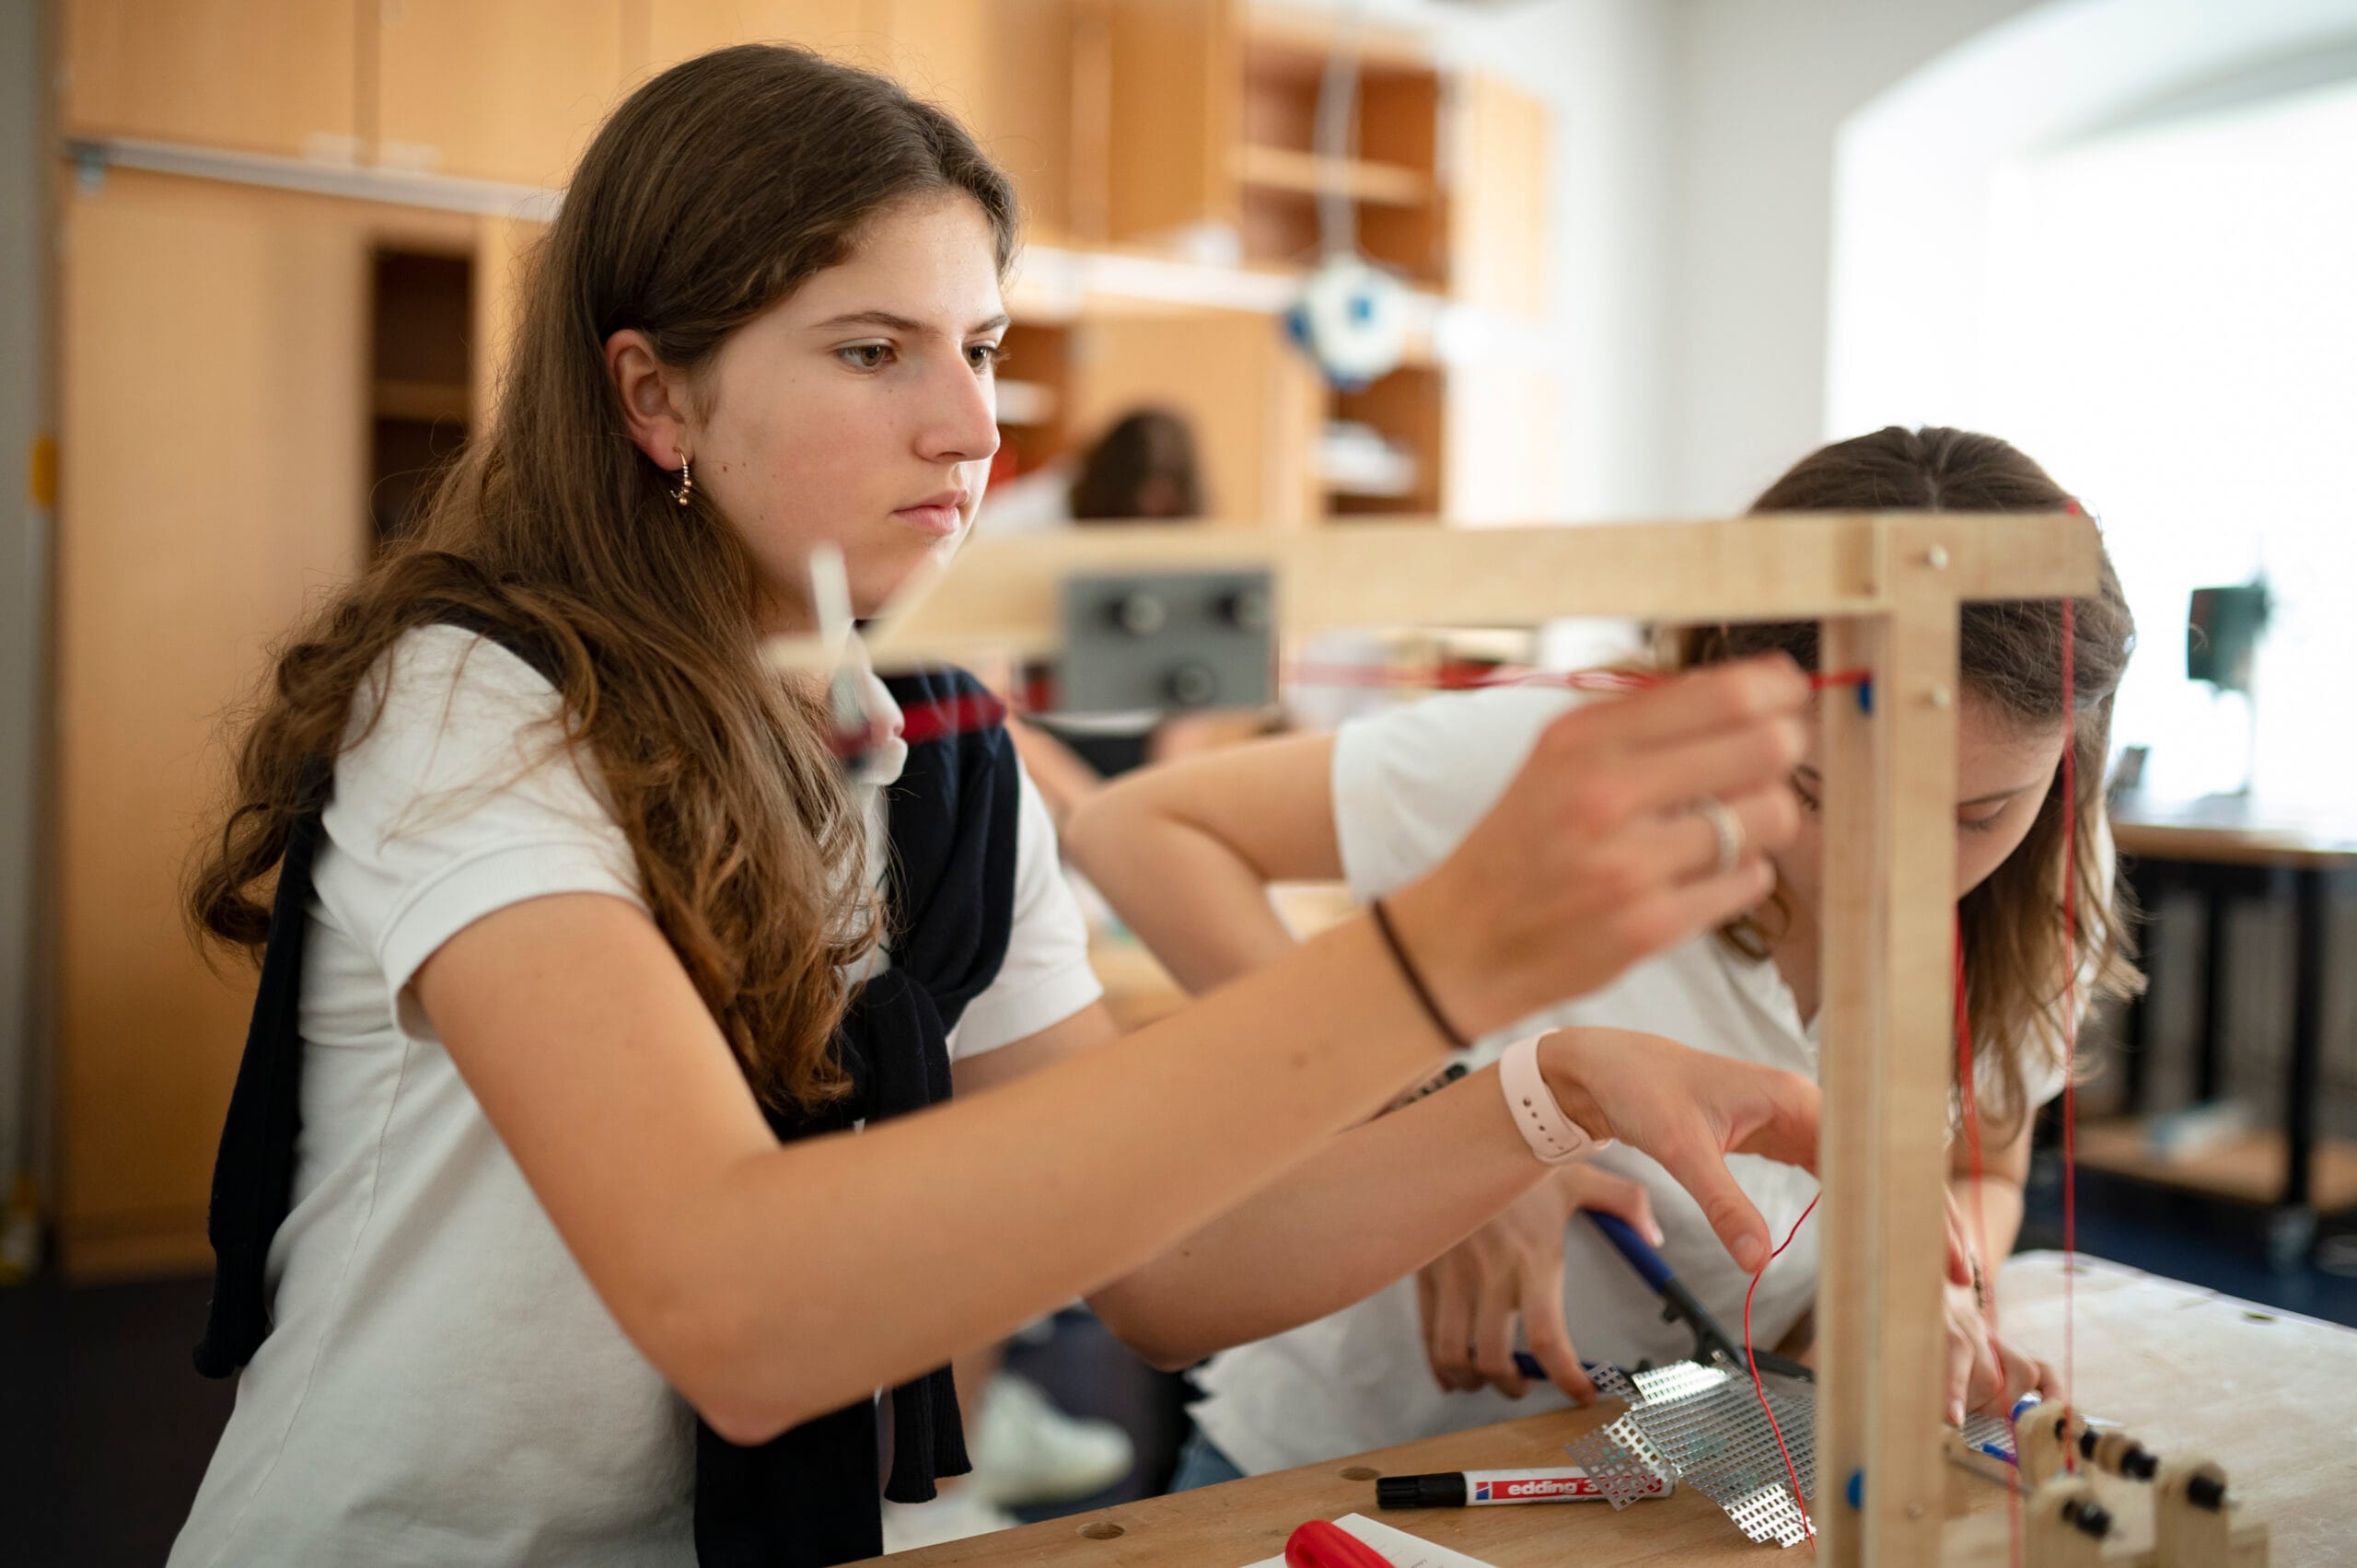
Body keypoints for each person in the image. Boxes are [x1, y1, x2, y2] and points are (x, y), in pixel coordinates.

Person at [168, 45, 1824, 1567]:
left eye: (979, 348)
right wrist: (1434, 962)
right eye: (872, 350)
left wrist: (1544, 1089)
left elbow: (1167, 1269)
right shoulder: (478, 705)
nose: (969, 427)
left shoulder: (935, 744)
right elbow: (737, 1308)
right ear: (653, 396)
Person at [1065, 426, 2139, 1488]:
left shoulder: (2048, 869)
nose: (1899, 868)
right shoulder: (1573, 753)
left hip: (1671, 1476)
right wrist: (1436, 1125)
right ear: (1736, 679)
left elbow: (1979, 1165)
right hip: (1335, 1461)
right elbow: (1137, 832)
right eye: (1824, 795)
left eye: (1975, 812)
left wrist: (1917, 1286)